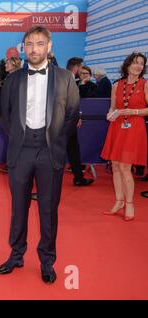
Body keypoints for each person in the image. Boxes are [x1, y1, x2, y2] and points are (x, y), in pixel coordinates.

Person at [0, 26, 80, 284]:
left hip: (50, 151)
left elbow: (72, 114)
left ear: (49, 46)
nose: (34, 48)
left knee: (48, 210)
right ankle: (16, 254)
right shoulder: (12, 80)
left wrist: (54, 139)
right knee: (18, 208)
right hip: (20, 150)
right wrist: (18, 137)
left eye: (40, 43)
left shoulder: (66, 78)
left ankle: (47, 260)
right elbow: (4, 113)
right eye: (30, 44)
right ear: (24, 47)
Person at [101, 52, 148, 222]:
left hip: (134, 127)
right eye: (135, 63)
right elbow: (112, 108)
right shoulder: (116, 85)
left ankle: (130, 203)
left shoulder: (144, 84)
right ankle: (119, 201)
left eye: (141, 64)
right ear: (127, 65)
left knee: (126, 167)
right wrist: (110, 114)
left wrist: (134, 111)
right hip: (117, 127)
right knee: (115, 166)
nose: (138, 66)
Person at [66, 57, 94, 186]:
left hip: (67, 120)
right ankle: (78, 177)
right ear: (76, 67)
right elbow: (70, 101)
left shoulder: (68, 78)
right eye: (81, 67)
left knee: (72, 149)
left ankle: (78, 177)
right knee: (71, 149)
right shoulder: (68, 79)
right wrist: (76, 117)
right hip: (66, 121)